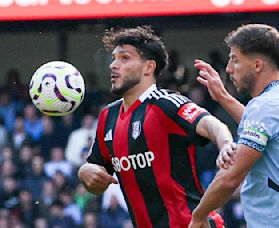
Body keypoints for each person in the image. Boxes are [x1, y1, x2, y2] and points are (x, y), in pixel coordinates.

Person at [77, 25, 233, 228]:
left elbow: (211, 124)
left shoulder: (165, 103)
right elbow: (97, 178)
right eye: (114, 58)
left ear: (148, 67)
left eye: (124, 58)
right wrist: (85, 171)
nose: (113, 65)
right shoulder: (108, 116)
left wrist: (227, 144)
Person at [189, 24, 279, 227]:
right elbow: (255, 123)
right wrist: (222, 96)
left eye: (235, 60)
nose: (229, 69)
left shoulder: (267, 106)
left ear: (257, 65)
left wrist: (199, 215)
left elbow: (230, 177)